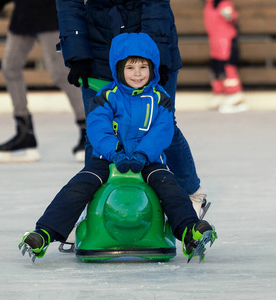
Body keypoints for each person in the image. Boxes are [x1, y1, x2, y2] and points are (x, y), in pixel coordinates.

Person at [18, 33, 217, 263]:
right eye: (130, 67)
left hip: (148, 161)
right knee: (79, 186)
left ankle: (189, 231)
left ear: (152, 68)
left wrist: (143, 154)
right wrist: (115, 151)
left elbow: (162, 131)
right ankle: (44, 233)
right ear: (118, 68)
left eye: (143, 67)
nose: (137, 73)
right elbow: (97, 127)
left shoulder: (160, 98)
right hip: (109, 160)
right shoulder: (107, 96)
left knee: (169, 186)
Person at [55, 0, 208, 216]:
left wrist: (158, 57)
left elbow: (156, 4)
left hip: (151, 42)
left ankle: (192, 194)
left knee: (163, 123)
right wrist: (78, 53)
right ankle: (96, 208)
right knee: (97, 128)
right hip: (99, 43)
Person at [0, 0, 86, 162]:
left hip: (48, 12)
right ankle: (25, 131)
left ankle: (87, 129)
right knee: (10, 66)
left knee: (60, 73)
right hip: (24, 12)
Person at [203, 0, 248, 113]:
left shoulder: (225, 4)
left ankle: (235, 96)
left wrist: (228, 14)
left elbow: (230, 16)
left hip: (226, 41)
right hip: (215, 43)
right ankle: (219, 93)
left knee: (228, 68)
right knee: (216, 68)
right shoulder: (209, 5)